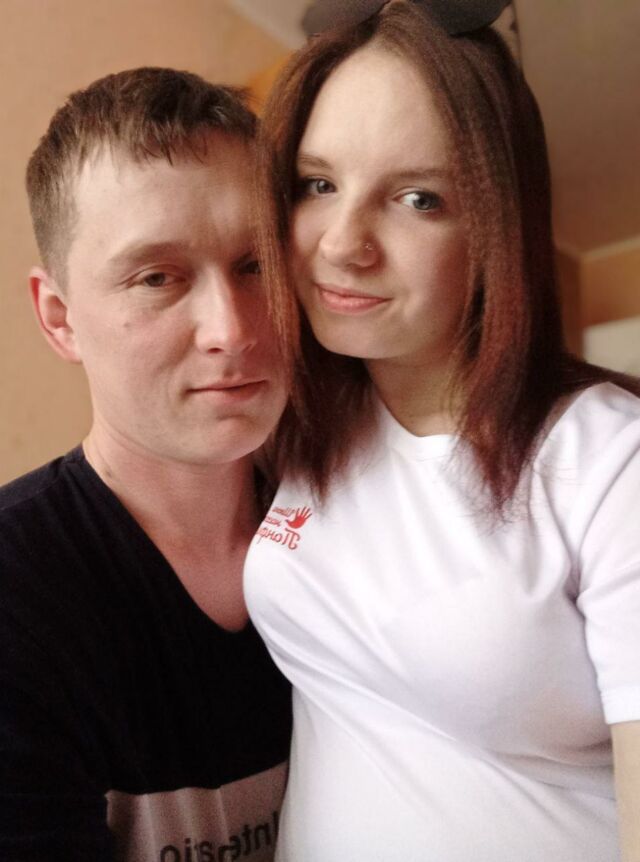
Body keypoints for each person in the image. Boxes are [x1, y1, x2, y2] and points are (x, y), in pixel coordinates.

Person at [244, 2, 640, 860]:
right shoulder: (301, 429)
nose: (344, 243)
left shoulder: (612, 461)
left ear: (498, 228)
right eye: (318, 184)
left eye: (419, 199)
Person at [0, 68, 291, 861]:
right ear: (60, 319)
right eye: (157, 277)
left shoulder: (356, 522)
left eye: (255, 264)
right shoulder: (18, 593)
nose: (231, 330)